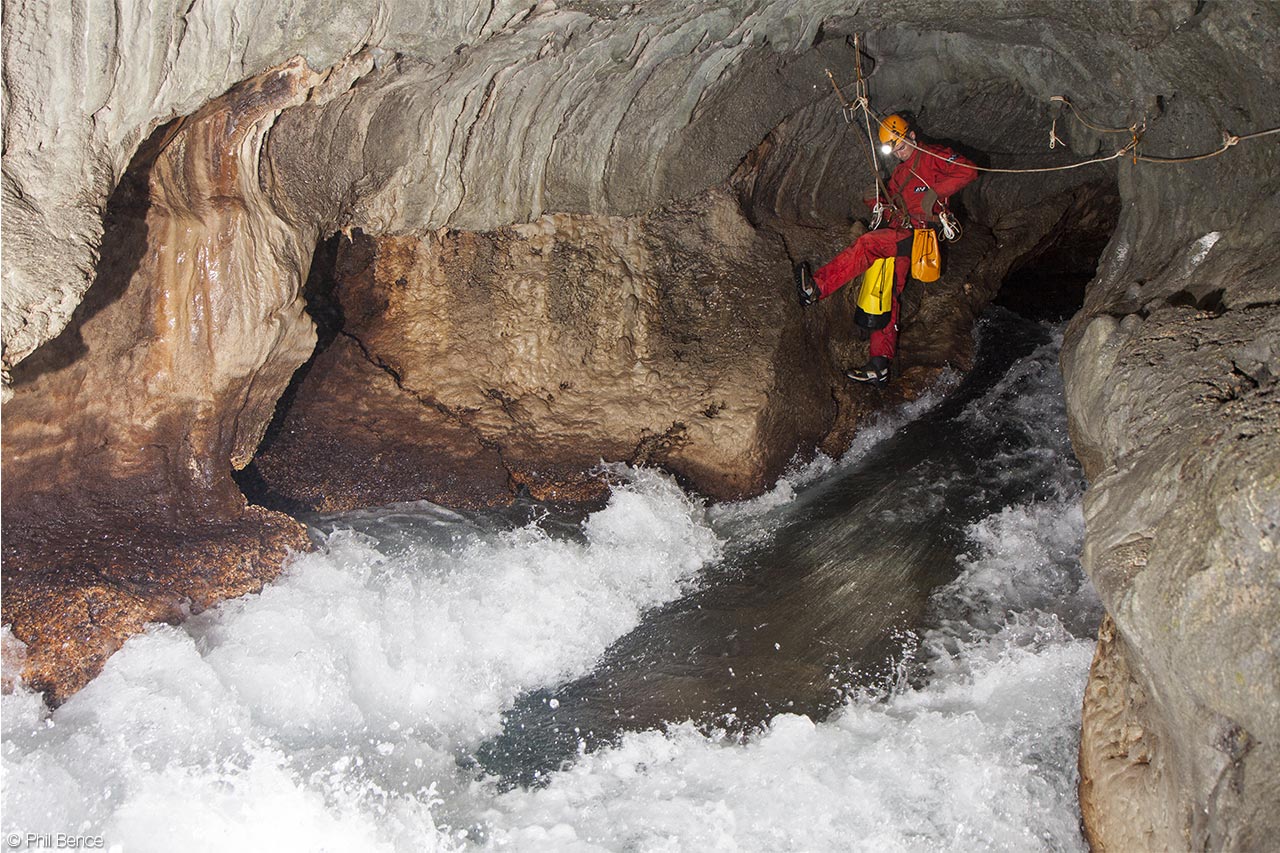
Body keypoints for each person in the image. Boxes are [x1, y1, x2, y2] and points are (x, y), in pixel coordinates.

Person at [795, 114, 977, 385]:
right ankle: (879, 364)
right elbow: (892, 202)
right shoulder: (903, 172)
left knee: (868, 244)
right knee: (888, 292)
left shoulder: (932, 155)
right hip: (904, 232)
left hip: (921, 234)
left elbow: (968, 170)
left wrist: (934, 193)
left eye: (902, 145)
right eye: (895, 149)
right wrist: (874, 199)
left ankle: (816, 289)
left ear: (912, 136)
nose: (900, 152)